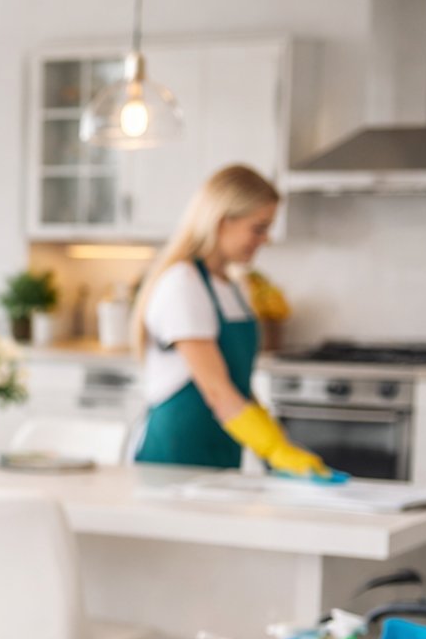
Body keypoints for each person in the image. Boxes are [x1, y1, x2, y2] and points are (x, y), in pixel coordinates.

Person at [131, 165, 331, 475]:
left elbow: (238, 387)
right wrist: (274, 449)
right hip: (173, 458)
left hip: (220, 452)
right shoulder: (183, 283)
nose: (264, 239)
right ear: (223, 221)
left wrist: (278, 443)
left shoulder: (233, 286)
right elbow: (217, 390)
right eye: (258, 228)